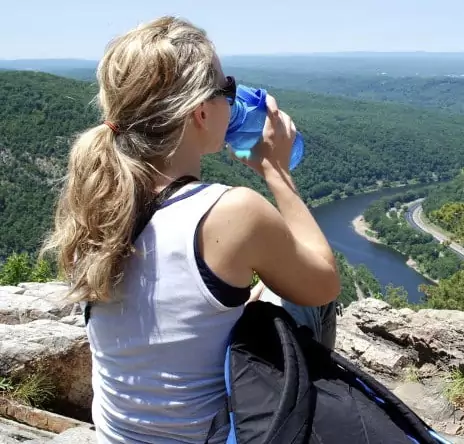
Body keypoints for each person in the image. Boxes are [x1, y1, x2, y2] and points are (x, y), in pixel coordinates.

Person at [41, 16, 340, 444]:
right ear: (201, 111)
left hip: (119, 434)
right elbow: (323, 282)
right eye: (228, 88)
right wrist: (276, 171)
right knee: (303, 296)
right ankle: (310, 416)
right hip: (211, 438)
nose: (234, 99)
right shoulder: (232, 211)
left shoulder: (97, 197)